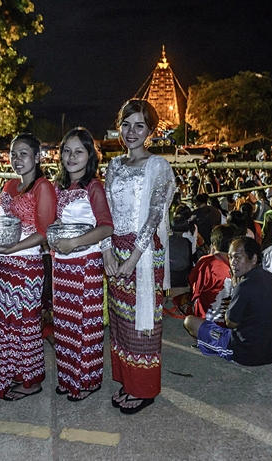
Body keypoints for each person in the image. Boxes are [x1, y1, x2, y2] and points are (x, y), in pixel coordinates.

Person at [103, 99, 174, 415]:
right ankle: (128, 381)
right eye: (126, 124)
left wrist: (132, 259)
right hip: (115, 247)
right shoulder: (114, 165)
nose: (131, 132)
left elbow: (154, 216)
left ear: (151, 131)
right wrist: (107, 251)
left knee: (143, 323)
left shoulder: (158, 166)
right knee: (120, 321)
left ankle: (144, 389)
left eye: (139, 126)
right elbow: (104, 211)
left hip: (143, 255)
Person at [0, 133, 56, 401]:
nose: (17, 159)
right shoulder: (9, 185)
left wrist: (11, 249)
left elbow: (43, 232)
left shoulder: (43, 187)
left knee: (26, 323)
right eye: (13, 154)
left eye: (23, 153)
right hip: (4, 265)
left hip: (27, 264)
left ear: (37, 157)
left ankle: (32, 380)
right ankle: (15, 373)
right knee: (7, 322)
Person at [50, 127, 113, 401]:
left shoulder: (93, 186)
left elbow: (107, 227)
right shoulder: (58, 186)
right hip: (61, 265)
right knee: (64, 324)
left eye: (78, 151)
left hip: (85, 264)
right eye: (67, 150)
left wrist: (74, 244)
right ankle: (67, 376)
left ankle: (87, 380)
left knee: (85, 324)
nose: (71, 157)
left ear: (90, 155)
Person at [184, 237, 272, 366]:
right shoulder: (271, 278)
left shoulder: (244, 286)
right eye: (231, 257)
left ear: (254, 259)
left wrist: (234, 291)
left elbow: (230, 323)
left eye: (238, 257)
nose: (233, 262)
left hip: (246, 354)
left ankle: (213, 346)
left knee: (190, 321)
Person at [188, 224, 236, 321]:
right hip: (231, 318)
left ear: (213, 243)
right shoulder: (238, 261)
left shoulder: (206, 262)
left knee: (188, 320)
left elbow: (195, 285)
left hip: (208, 316)